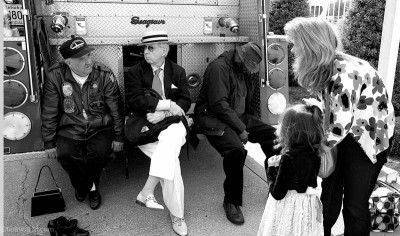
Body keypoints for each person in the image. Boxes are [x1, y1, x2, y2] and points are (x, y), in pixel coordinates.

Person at [284, 17, 395, 236]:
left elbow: (340, 125)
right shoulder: (328, 66)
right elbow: (335, 113)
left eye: (296, 43)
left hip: (368, 140)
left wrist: (312, 150)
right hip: (346, 133)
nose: (293, 49)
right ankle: (320, 231)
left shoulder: (343, 72)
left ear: (310, 44)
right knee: (330, 191)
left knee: (355, 204)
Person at [194, 42, 280, 225]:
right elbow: (218, 104)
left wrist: (252, 123)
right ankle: (231, 201)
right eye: (248, 65)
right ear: (240, 57)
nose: (249, 70)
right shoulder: (218, 67)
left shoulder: (242, 69)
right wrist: (241, 128)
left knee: (275, 138)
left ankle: (275, 186)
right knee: (236, 151)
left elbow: (246, 102)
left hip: (237, 116)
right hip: (213, 117)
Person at [41, 35, 124, 210]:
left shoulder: (104, 74)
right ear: (68, 62)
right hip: (69, 128)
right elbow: (49, 110)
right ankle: (82, 185)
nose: (88, 62)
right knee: (65, 154)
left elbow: (116, 108)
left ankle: (92, 188)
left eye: (88, 56)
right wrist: (49, 142)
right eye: (81, 58)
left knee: (99, 153)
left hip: (99, 126)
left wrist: (118, 136)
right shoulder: (55, 76)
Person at [125, 30, 191, 236]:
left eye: (151, 48)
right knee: (171, 162)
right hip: (146, 125)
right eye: (144, 47)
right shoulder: (136, 72)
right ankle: (176, 214)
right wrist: (166, 104)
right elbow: (134, 100)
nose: (145, 52)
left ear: (165, 49)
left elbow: (186, 101)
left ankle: (148, 192)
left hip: (171, 123)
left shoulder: (178, 71)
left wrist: (164, 114)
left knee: (171, 138)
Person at [257, 104, 324, 236]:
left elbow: (277, 193)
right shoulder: (316, 153)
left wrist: (271, 168)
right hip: (307, 206)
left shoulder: (288, 158)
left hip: (289, 207)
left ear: (290, 130)